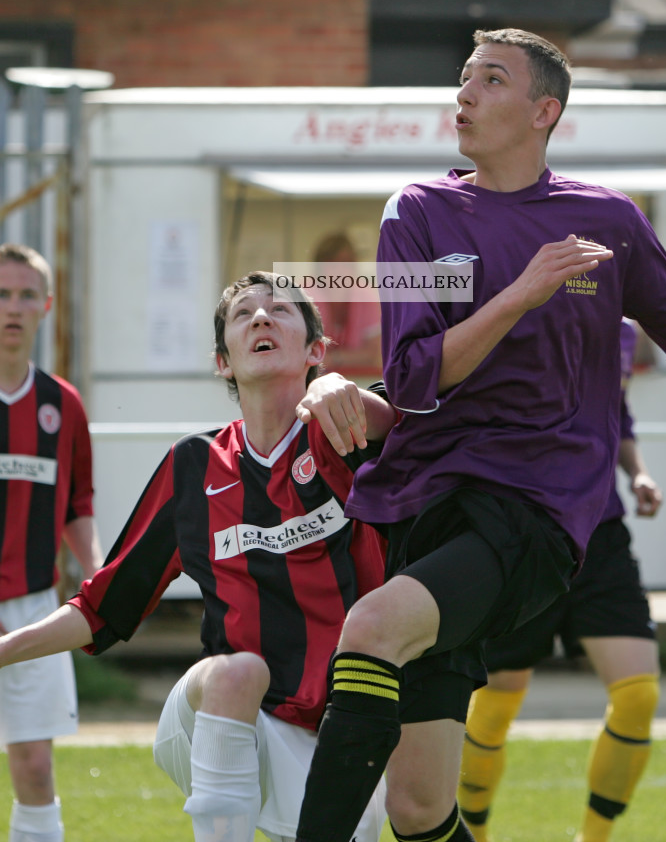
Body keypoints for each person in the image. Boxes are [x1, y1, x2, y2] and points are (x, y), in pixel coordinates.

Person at [293, 28, 666, 842]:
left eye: (490, 81)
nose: (463, 94)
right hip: (420, 507)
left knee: (369, 629)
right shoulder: (416, 211)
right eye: (461, 79)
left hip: (536, 509)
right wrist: (518, 295)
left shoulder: (604, 222)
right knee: (419, 808)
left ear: (544, 111)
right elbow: (414, 376)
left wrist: (532, 287)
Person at [0, 270, 397, 842]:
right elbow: (99, 608)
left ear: (314, 349)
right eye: (243, 314)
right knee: (240, 670)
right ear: (223, 363)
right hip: (218, 717)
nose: (261, 317)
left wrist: (347, 389)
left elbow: (419, 415)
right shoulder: (193, 465)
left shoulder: (348, 438)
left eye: (280, 310)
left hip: (338, 732)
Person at [458, 318, 663, 842]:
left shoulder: (621, 329)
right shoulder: (508, 312)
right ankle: (474, 835)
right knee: (499, 695)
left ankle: (592, 838)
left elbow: (615, 415)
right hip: (523, 530)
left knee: (639, 694)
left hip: (601, 532)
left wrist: (636, 470)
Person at [0, 242, 103, 842]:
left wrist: (95, 571)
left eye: (24, 295)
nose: (12, 308)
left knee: (35, 769)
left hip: (34, 609)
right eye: (2, 294)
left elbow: (77, 504)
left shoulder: (62, 405)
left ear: (46, 305)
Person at [311, 231, 382, 380]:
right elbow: (300, 352)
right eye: (332, 264)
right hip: (312, 380)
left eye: (345, 263)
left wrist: (333, 358)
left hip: (359, 380)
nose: (339, 270)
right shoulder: (304, 298)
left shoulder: (366, 296)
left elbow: (373, 354)